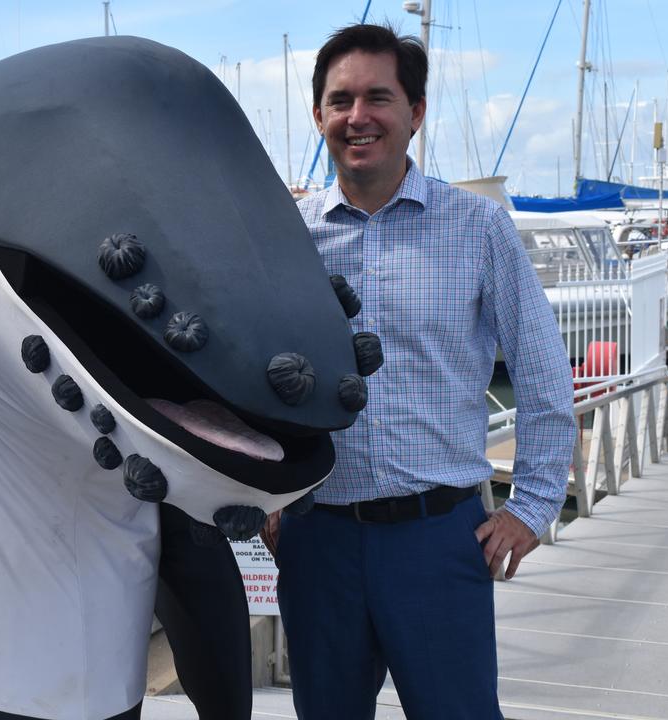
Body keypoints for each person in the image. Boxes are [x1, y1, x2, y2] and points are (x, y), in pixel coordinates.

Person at [262, 23, 576, 718]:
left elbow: (543, 370)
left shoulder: (478, 228)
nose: (358, 116)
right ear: (318, 116)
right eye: (340, 100)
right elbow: (248, 378)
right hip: (320, 543)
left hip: (438, 541)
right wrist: (263, 494)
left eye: (379, 96)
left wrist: (532, 506)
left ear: (416, 112)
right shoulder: (288, 237)